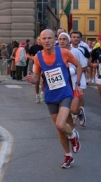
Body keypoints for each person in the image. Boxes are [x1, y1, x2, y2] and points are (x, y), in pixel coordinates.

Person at [26, 29, 83, 169]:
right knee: (60, 130)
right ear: (40, 40)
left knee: (60, 124)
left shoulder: (63, 53)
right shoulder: (38, 57)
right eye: (44, 38)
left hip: (65, 94)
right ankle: (68, 155)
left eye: (49, 38)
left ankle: (74, 135)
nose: (47, 41)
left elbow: (79, 66)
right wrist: (32, 80)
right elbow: (37, 78)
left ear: (54, 39)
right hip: (50, 96)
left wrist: (77, 84)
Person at [69, 31, 88, 126]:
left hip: (79, 79)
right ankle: (78, 112)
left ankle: (79, 114)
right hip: (69, 80)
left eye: (77, 37)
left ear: (80, 39)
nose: (76, 39)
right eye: (74, 37)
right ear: (70, 38)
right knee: (72, 101)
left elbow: (85, 65)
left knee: (80, 98)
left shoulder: (83, 49)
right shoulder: (65, 50)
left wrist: (74, 71)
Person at [28, 37, 44, 103]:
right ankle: (37, 95)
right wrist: (32, 57)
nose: (40, 41)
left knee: (43, 79)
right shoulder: (33, 47)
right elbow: (27, 55)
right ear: (37, 40)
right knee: (36, 81)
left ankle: (42, 93)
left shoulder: (45, 47)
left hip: (44, 65)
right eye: (38, 40)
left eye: (41, 40)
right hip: (36, 65)